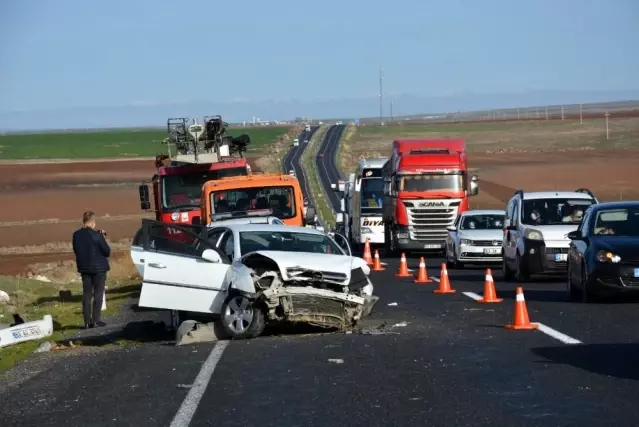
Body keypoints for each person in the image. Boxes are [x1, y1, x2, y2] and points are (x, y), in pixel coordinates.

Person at [72, 211, 111, 329]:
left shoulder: (76, 235)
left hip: (84, 268)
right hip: (99, 269)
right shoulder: (97, 236)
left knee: (87, 294)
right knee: (98, 293)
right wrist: (103, 238)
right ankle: (96, 320)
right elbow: (106, 251)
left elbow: (76, 250)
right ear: (93, 222)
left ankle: (87, 321)